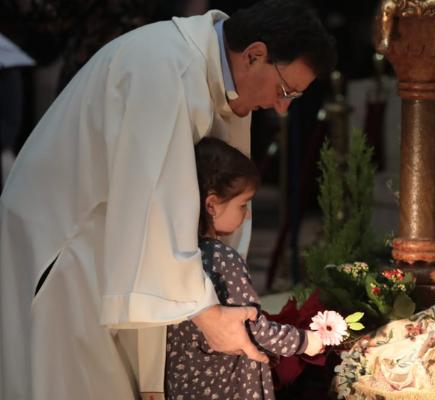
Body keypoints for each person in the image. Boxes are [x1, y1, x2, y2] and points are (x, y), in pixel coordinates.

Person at [0, 1, 336, 399]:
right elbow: (157, 200)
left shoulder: (220, 77)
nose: (281, 108)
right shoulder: (164, 67)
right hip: (70, 248)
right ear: (253, 55)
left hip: (113, 248)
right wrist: (207, 313)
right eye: (284, 91)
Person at [165, 138, 324, 400]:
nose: (247, 215)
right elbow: (251, 327)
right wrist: (305, 341)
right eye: (243, 205)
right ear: (212, 204)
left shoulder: (172, 259)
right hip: (228, 387)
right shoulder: (222, 259)